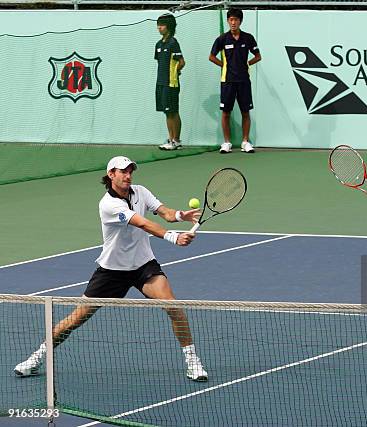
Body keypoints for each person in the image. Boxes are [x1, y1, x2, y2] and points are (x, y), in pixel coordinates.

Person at [14, 156, 208, 382]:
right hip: (112, 271)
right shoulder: (109, 205)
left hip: (143, 265)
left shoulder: (140, 191)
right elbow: (143, 223)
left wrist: (178, 216)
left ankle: (192, 361)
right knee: (76, 318)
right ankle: (37, 357)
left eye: (130, 171)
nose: (128, 175)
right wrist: (172, 236)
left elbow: (163, 211)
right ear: (111, 175)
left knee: (173, 307)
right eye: (122, 171)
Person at [209, 8, 261, 154]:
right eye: (231, 20)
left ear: (240, 21)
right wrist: (224, 65)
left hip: (244, 81)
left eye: (236, 20)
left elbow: (258, 56)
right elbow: (211, 56)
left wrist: (248, 64)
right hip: (227, 81)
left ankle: (245, 142)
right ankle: (227, 143)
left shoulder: (248, 38)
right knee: (226, 112)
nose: (233, 22)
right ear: (228, 21)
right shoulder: (222, 39)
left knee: (245, 112)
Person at [156, 13, 185, 151]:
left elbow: (181, 62)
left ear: (169, 27)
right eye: (158, 25)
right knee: (168, 112)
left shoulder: (173, 43)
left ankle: (175, 140)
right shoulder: (158, 44)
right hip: (161, 83)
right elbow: (160, 62)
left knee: (173, 111)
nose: (159, 27)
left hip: (171, 83)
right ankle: (172, 139)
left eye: (161, 25)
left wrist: (175, 72)